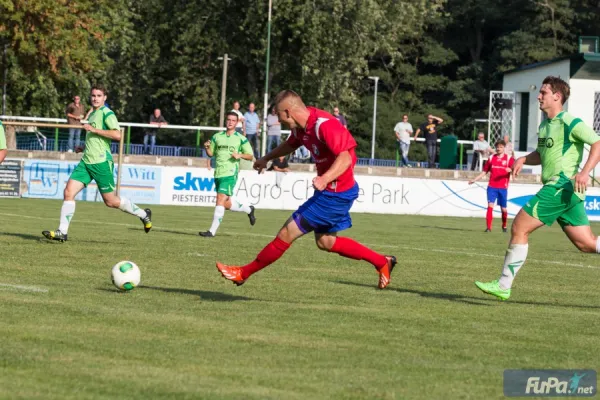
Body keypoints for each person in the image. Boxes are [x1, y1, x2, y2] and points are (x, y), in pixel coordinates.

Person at [215, 90, 397, 289]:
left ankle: (243, 273)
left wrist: (325, 178)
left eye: (280, 118)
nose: (280, 123)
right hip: (332, 191)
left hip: (334, 193)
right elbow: (291, 144)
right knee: (326, 242)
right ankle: (382, 262)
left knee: (286, 233)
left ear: (288, 112)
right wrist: (266, 158)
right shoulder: (303, 126)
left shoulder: (324, 125)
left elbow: (345, 158)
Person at [475, 76, 600, 301]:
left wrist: (584, 172)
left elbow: (598, 142)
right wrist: (523, 159)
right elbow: (542, 155)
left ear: (557, 96)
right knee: (587, 244)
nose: (539, 96)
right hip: (565, 191)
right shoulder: (544, 125)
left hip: (560, 187)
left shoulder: (569, 121)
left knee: (520, 227)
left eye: (543, 92)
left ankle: (503, 285)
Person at [42, 85, 152, 242]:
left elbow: (117, 134)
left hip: (101, 162)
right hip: (87, 161)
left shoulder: (107, 113)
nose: (95, 98)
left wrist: (94, 130)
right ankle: (62, 232)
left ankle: (143, 214)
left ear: (104, 98)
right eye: (93, 95)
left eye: (99, 95)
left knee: (111, 201)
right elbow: (96, 138)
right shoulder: (93, 113)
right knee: (68, 192)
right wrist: (84, 146)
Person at [199, 111, 256, 237]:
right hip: (218, 173)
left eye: (233, 120)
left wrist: (239, 155)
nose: (230, 122)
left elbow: (250, 156)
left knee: (220, 199)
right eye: (228, 120)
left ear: (237, 123)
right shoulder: (217, 137)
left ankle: (211, 232)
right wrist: (207, 147)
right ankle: (248, 209)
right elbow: (211, 153)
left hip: (230, 173)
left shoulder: (241, 139)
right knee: (226, 203)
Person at [468, 140, 514, 232]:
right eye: (497, 147)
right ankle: (488, 228)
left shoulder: (509, 158)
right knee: (490, 206)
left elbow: (516, 169)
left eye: (501, 147)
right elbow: (485, 172)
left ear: (504, 148)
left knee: (503, 209)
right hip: (492, 187)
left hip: (503, 188)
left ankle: (504, 225)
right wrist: (474, 179)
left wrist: (511, 170)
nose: (498, 149)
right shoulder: (491, 158)